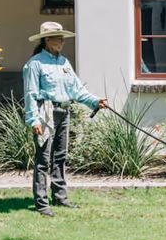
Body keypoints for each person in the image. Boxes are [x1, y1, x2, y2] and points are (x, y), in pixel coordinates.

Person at [23, 22, 107, 217]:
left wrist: (95, 101)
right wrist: (33, 119)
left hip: (64, 112)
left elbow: (77, 90)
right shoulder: (34, 64)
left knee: (60, 157)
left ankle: (60, 197)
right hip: (46, 114)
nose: (62, 40)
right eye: (57, 36)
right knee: (43, 160)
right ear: (46, 40)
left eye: (62, 37)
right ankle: (42, 203)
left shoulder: (64, 63)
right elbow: (30, 94)